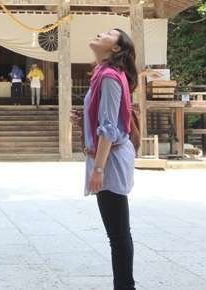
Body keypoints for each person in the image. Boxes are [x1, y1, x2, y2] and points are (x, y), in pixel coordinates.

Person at [71, 28, 138, 290]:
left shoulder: (109, 77)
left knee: (118, 233)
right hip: (105, 155)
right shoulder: (101, 74)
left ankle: (125, 286)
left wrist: (98, 168)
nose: (100, 33)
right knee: (117, 231)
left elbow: (109, 127)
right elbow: (103, 117)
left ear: (117, 49)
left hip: (108, 159)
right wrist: (84, 119)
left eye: (109, 34)